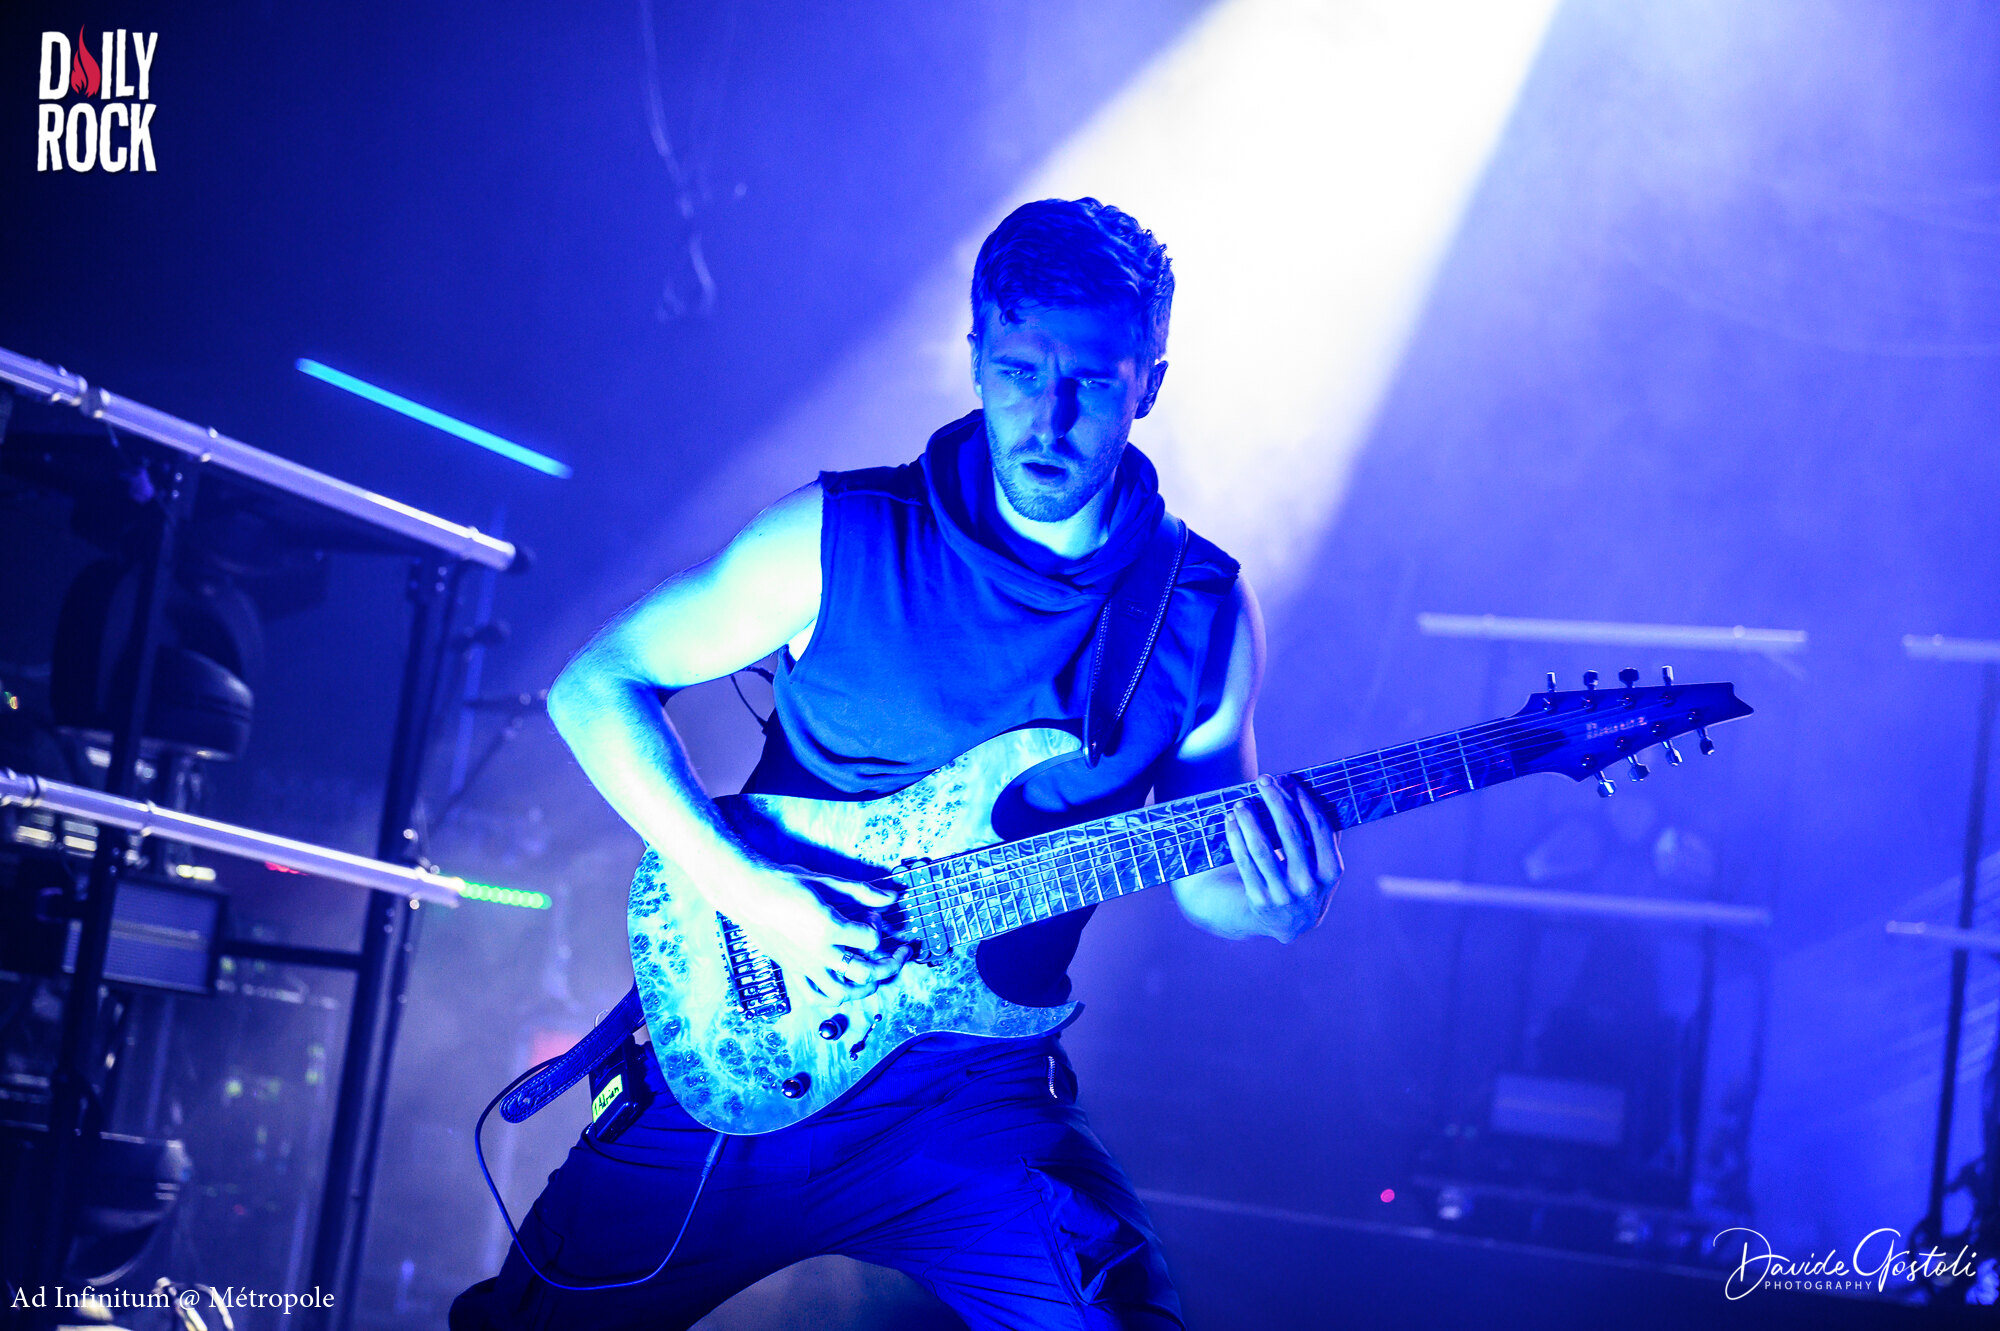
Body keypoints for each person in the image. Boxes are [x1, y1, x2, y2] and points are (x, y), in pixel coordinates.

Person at [451, 197, 1342, 1330]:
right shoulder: (842, 534)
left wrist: (1276, 904)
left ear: (1149, 383)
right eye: (1018, 370)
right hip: (743, 1041)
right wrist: (749, 890)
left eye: (1091, 381)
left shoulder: (1198, 606)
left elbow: (1210, 870)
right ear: (974, 357)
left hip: (974, 1095)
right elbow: (596, 685)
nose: (1049, 416)